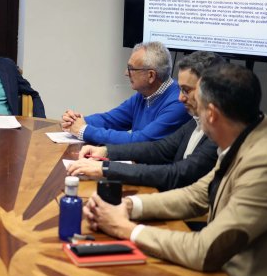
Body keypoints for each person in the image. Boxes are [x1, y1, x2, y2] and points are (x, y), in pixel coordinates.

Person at [83, 64, 267, 276]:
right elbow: (196, 195)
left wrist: (124, 228)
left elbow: (205, 250)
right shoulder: (247, 138)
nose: (191, 112)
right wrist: (128, 206)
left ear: (212, 114)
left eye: (198, 107)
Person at [67, 51, 223, 191]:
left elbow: (176, 173)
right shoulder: (195, 121)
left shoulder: (218, 133)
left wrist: (106, 168)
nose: (180, 97)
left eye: (186, 90)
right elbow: (159, 148)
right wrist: (105, 150)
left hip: (186, 214)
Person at [62, 41, 189, 145]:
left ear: (151, 75)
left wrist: (84, 130)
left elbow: (140, 141)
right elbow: (110, 120)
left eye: (131, 69)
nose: (126, 73)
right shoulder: (144, 95)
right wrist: (76, 121)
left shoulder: (178, 103)